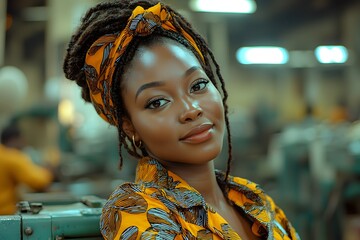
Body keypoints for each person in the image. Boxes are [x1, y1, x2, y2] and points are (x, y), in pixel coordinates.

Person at [63, 0, 300, 239]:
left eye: (198, 85)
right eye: (157, 102)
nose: (191, 109)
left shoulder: (254, 200)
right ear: (129, 125)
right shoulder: (138, 213)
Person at [0, 124, 53, 215]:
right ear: (14, 139)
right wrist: (48, 171)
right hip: (4, 213)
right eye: (22, 139)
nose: (24, 143)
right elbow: (38, 181)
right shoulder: (12, 156)